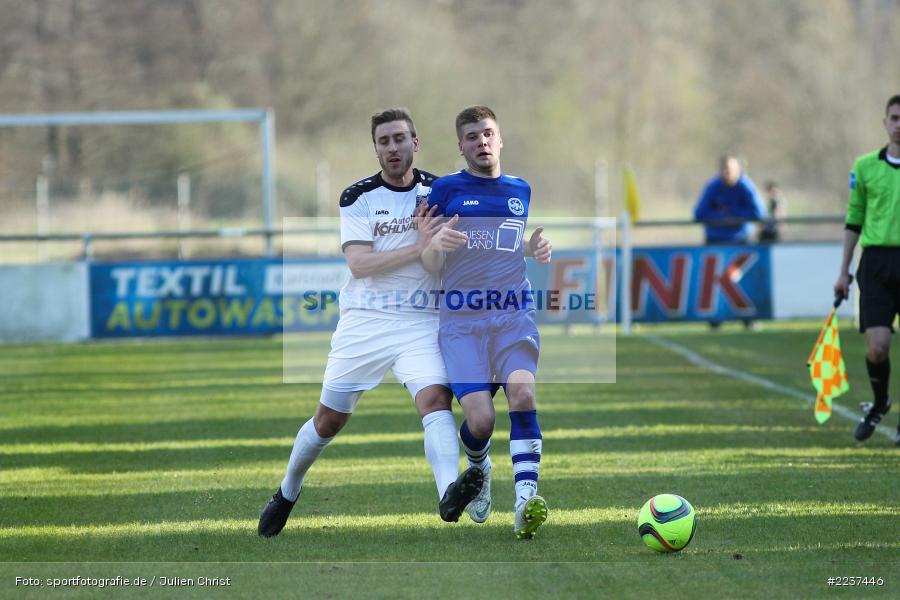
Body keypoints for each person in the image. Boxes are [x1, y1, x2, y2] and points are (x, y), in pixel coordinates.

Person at [257, 108, 484, 537]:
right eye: (384, 141)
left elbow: (458, 249)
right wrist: (418, 247)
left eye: (400, 139)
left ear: (415, 143)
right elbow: (360, 264)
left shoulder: (443, 190)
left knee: (435, 400)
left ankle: (448, 494)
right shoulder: (357, 197)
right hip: (365, 321)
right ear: (376, 149)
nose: (393, 147)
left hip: (421, 319)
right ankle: (287, 492)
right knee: (328, 421)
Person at [422, 106, 552, 540]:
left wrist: (532, 247)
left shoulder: (521, 189)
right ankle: (479, 469)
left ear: (500, 139)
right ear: (460, 146)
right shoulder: (445, 190)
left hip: (513, 316)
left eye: (488, 133)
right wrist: (436, 244)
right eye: (472, 136)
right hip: (462, 322)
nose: (481, 141)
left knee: (523, 391)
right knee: (480, 423)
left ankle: (525, 500)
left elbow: (507, 246)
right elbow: (429, 261)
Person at [835, 94, 900, 445]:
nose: (899, 124)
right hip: (875, 263)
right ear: (885, 121)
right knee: (877, 346)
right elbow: (853, 220)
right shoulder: (864, 167)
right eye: (895, 117)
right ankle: (879, 403)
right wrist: (843, 271)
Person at [693, 155, 766, 328]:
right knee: (714, 282)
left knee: (744, 281)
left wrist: (733, 215)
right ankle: (715, 319)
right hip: (715, 241)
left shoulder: (745, 186)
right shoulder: (712, 187)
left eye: (730, 169)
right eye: (724, 169)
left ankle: (749, 318)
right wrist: (721, 217)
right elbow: (699, 213)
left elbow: (758, 213)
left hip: (740, 241)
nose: (727, 173)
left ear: (738, 170)